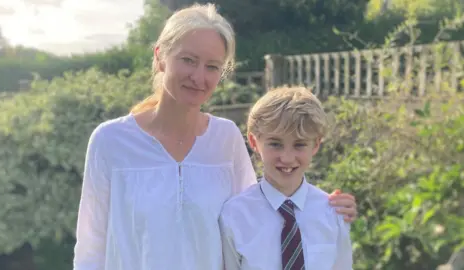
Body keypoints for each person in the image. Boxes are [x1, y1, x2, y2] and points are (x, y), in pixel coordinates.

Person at [73, 3, 357, 270]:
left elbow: (260, 218)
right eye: (188, 60)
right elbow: (90, 249)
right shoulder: (110, 141)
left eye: (212, 66)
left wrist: (326, 206)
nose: (199, 77)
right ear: (160, 57)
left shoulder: (226, 137)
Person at [220, 86, 353, 270]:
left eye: (299, 145)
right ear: (254, 142)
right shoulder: (234, 215)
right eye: (275, 144)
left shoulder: (332, 213)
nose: (287, 158)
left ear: (315, 145)